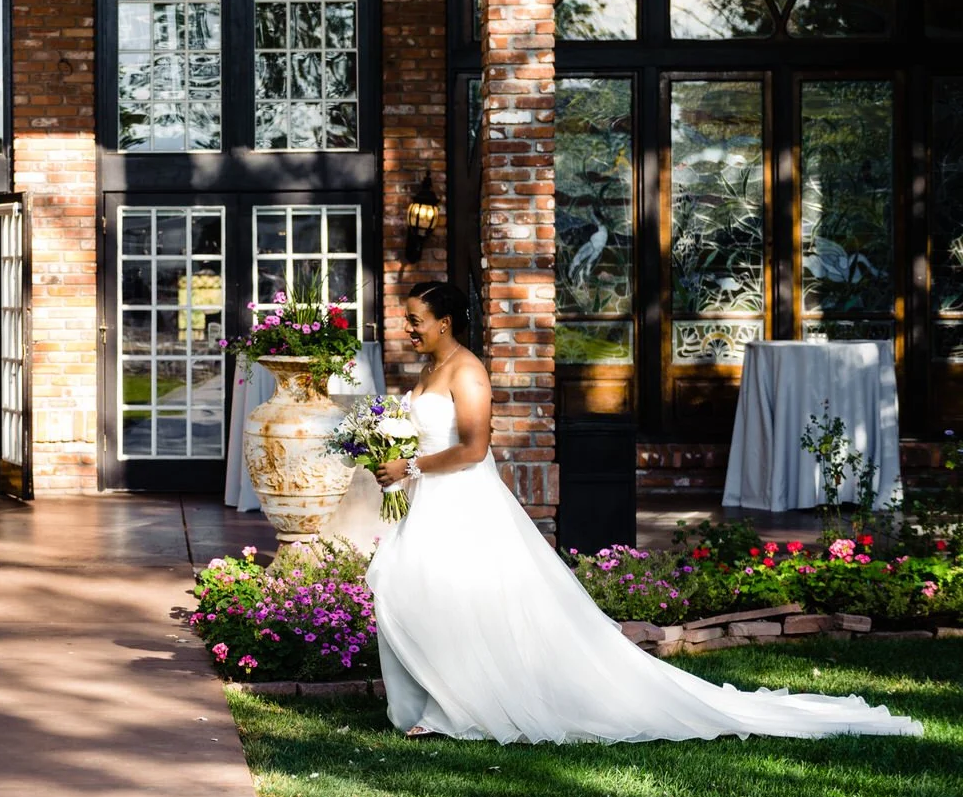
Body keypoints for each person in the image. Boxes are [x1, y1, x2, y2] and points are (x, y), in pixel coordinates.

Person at [363, 280, 921, 744]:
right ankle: (440, 700)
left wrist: (408, 467)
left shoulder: (467, 372)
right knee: (421, 592)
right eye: (405, 319)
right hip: (431, 500)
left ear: (444, 323)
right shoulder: (426, 373)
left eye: (414, 319)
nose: (406, 328)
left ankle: (459, 708)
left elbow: (474, 448)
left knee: (452, 596)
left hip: (463, 501)